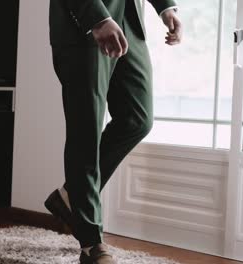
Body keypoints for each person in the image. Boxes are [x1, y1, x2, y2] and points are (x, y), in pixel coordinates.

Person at [44, 0, 182, 263]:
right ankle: (90, 244)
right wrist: (96, 18)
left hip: (129, 21)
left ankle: (71, 196)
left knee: (138, 118)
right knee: (86, 129)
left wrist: (166, 7)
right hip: (84, 23)